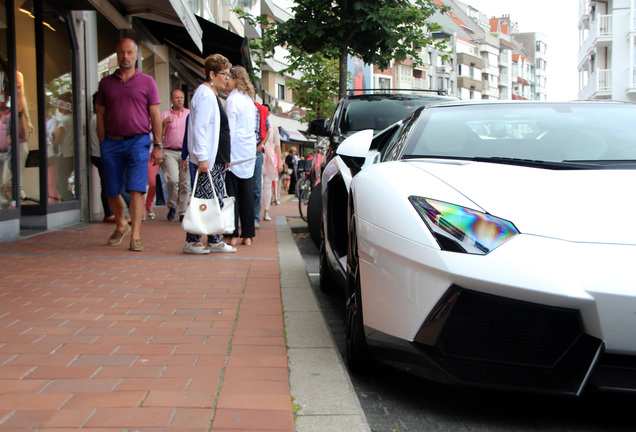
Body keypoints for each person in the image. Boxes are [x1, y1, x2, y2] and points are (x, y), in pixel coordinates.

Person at [95, 38, 163, 252]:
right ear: (117, 55)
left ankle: (135, 235)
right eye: (121, 52)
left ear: (136, 56)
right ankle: (121, 223)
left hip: (138, 141)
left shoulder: (147, 82)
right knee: (110, 189)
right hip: (111, 142)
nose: (125, 56)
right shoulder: (105, 83)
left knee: (136, 188)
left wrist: (158, 145)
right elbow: (100, 116)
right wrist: (102, 143)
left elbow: (155, 115)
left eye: (129, 52)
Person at [183, 53, 236, 254]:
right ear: (212, 74)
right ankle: (193, 240)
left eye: (228, 74)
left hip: (216, 158)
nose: (227, 78)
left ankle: (214, 238)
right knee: (204, 199)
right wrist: (203, 157)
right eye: (224, 74)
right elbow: (201, 128)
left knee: (213, 198)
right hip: (209, 159)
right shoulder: (205, 94)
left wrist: (224, 158)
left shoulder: (211, 94)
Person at [225, 65, 256, 246]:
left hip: (235, 151)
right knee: (247, 193)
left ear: (236, 78)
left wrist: (226, 154)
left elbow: (230, 129)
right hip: (248, 151)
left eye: (229, 76)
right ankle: (248, 234)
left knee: (232, 195)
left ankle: (232, 233)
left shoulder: (232, 100)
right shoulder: (249, 99)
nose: (226, 80)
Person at [161, 89, 190, 222]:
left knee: (185, 183)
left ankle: (183, 211)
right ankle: (172, 205)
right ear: (171, 100)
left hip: (186, 153)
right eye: (176, 98)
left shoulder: (189, 114)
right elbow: (158, 134)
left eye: (181, 97)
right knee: (173, 180)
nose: (179, 100)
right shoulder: (165, 115)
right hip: (170, 151)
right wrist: (163, 123)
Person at [88, 93, 114, 221]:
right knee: (107, 184)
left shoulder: (96, 117)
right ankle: (108, 214)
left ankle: (109, 213)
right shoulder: (98, 118)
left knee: (107, 183)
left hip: (99, 154)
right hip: (101, 155)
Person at [52, 92, 74, 202]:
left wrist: (54, 139)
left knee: (60, 182)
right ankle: (69, 197)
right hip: (72, 153)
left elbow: (59, 138)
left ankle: (67, 200)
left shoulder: (64, 120)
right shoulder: (73, 119)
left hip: (65, 153)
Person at [261, 110, 282, 221]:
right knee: (258, 185)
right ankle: (257, 211)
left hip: (270, 159)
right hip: (260, 156)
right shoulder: (257, 123)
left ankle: (266, 211)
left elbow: (277, 146)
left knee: (268, 186)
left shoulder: (273, 127)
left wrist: (279, 161)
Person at [253, 101, 270, 229]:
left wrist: (261, 145)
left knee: (256, 186)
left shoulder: (260, 109)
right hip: (241, 150)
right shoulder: (237, 103)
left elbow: (268, 129)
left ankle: (255, 217)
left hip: (255, 150)